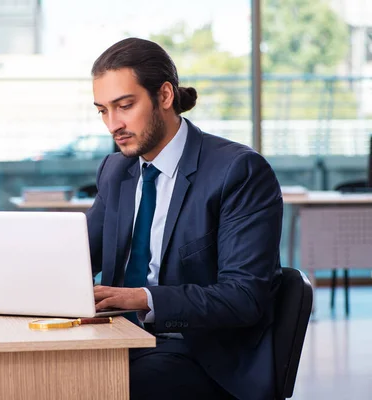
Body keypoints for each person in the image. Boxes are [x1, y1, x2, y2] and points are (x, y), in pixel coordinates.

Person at [86, 37, 283, 400]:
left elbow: (244, 297)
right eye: (102, 110)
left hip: (200, 354)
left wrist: (141, 298)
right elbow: (79, 258)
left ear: (164, 96)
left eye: (125, 106)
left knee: (107, 388)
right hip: (118, 341)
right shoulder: (116, 170)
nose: (113, 124)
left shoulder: (238, 171)